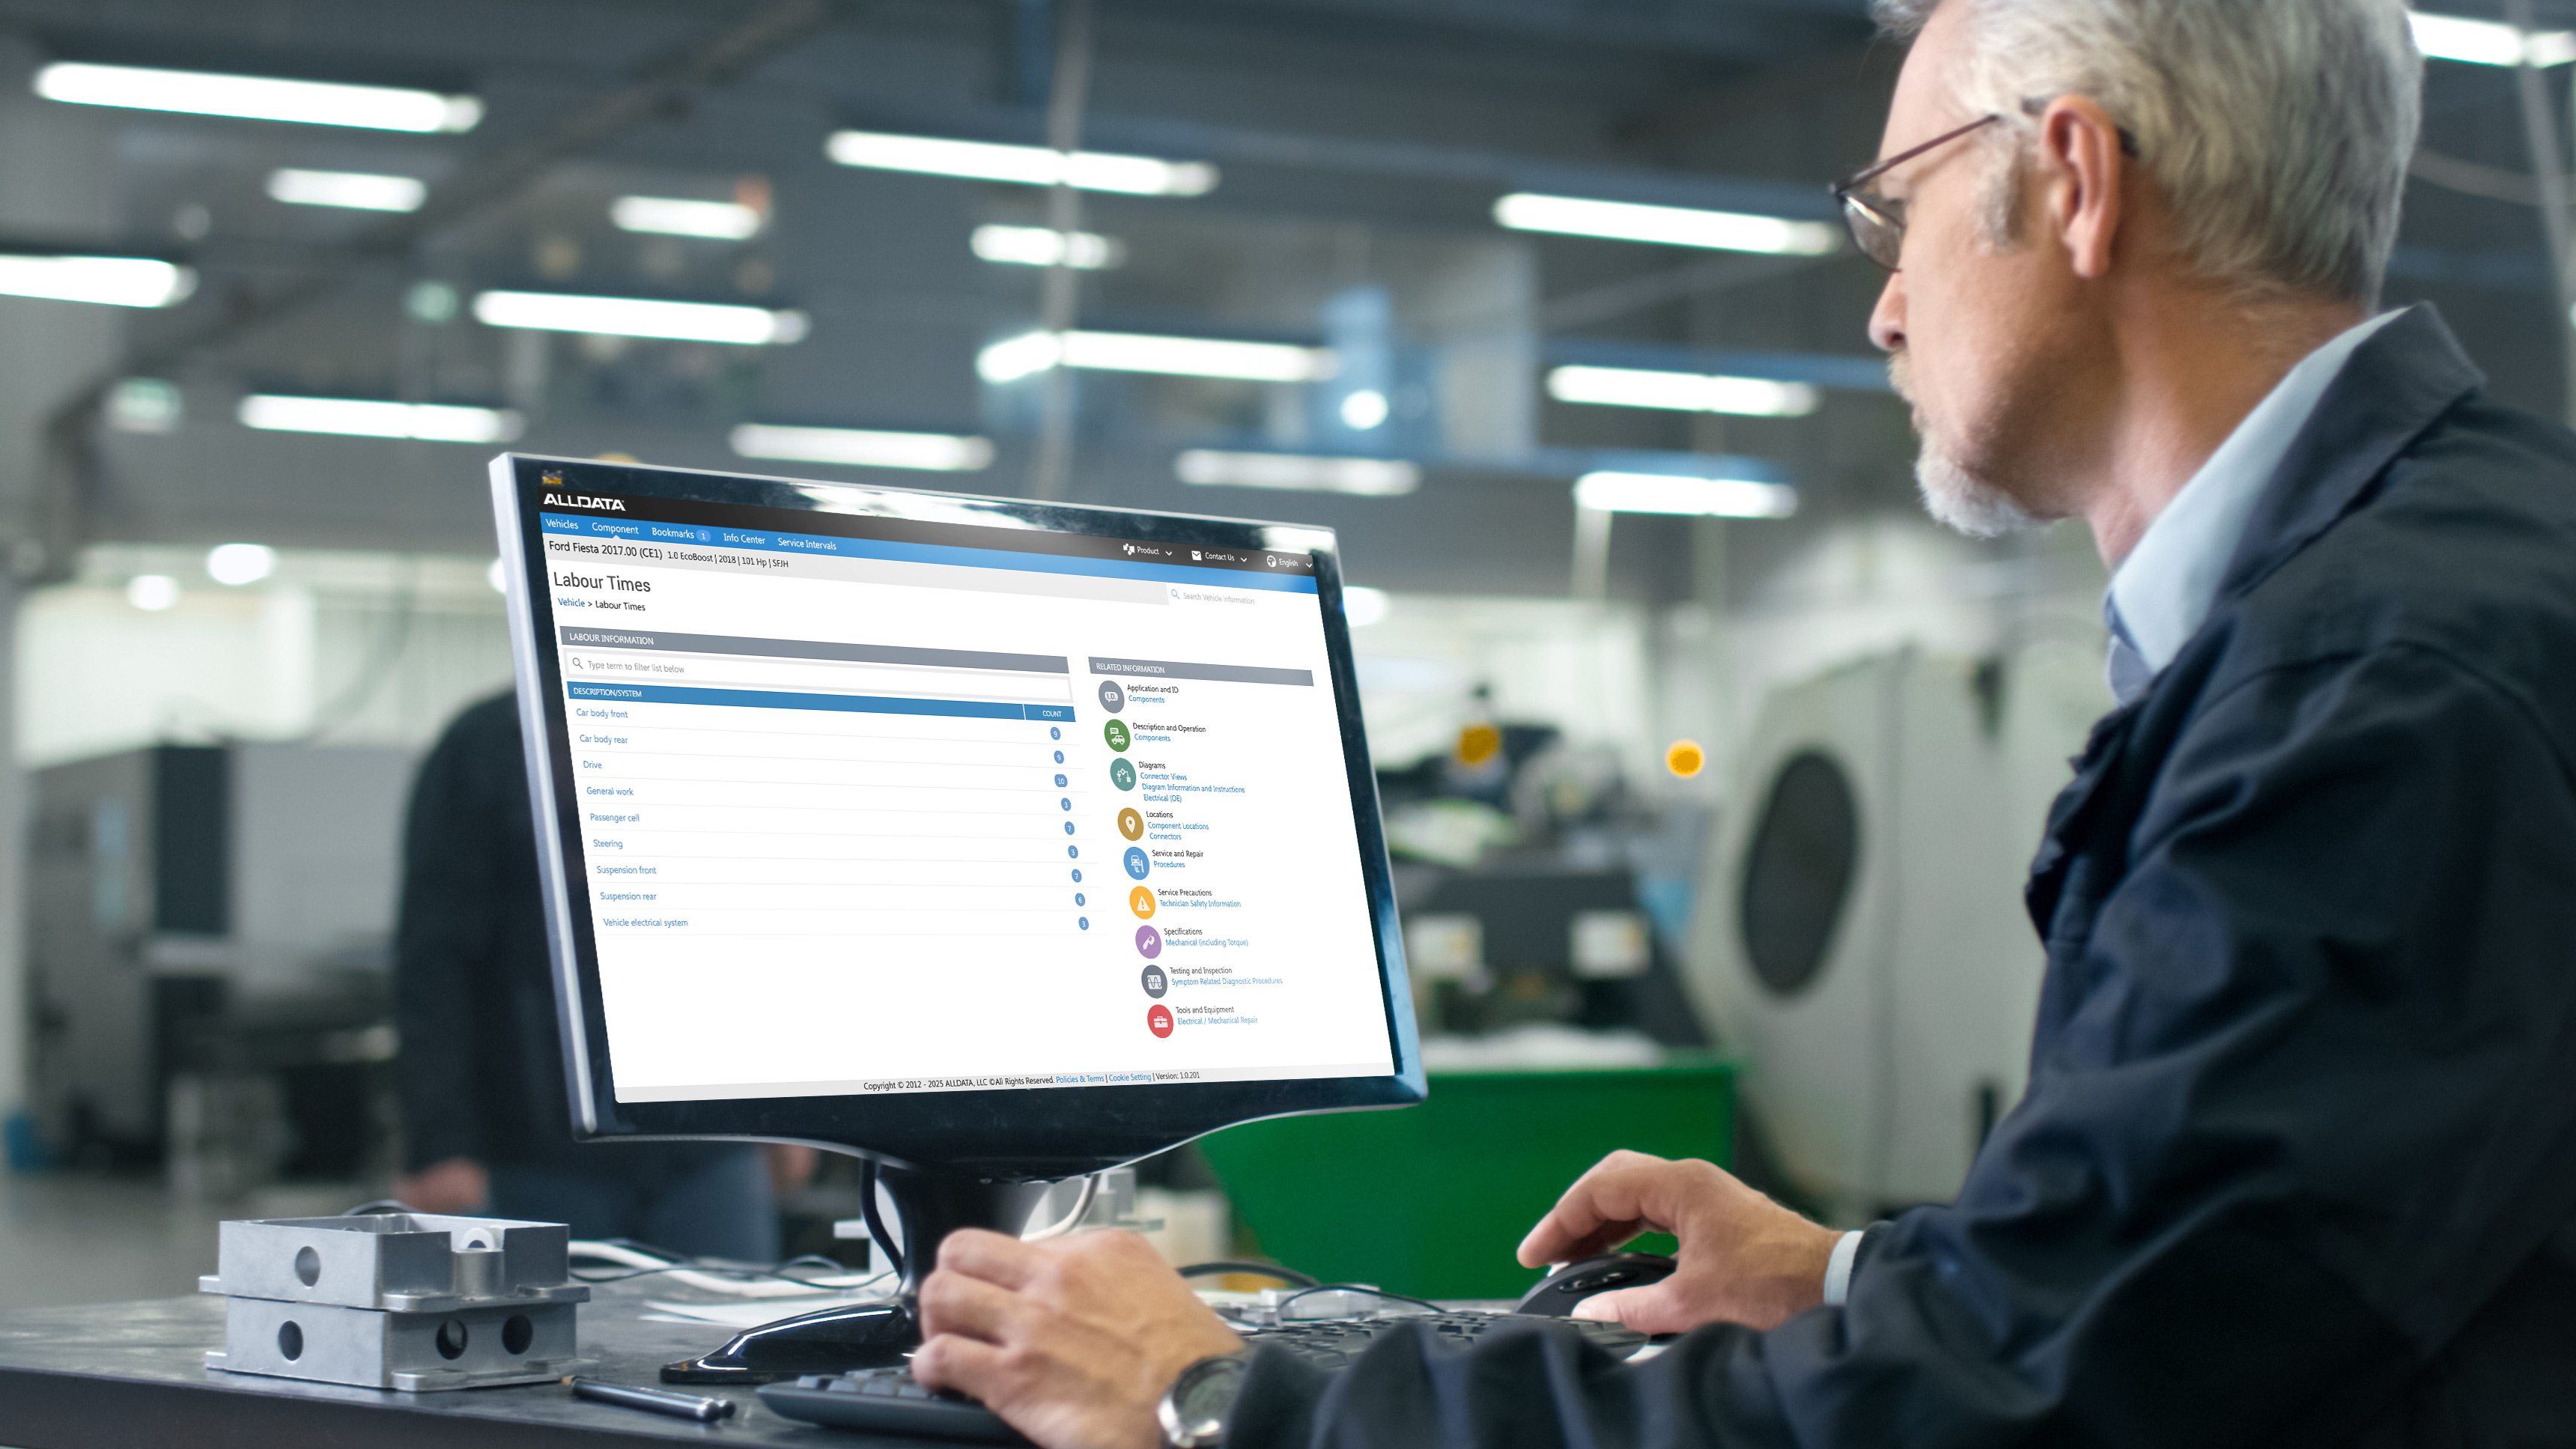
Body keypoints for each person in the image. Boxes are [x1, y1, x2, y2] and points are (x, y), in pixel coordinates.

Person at [904, 1, 2576, 1444]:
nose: (1884, 305)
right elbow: (2212, 1277)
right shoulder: (2430, 584)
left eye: (1895, 213)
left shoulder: (2371, 686)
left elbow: (2011, 1407)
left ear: (2073, 181)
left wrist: (1230, 1403)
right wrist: (1838, 1274)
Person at [391, 692, 806, 1259]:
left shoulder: (698, 727)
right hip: (540, 1148)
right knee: (559, 1339)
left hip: (706, 1147)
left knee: (730, 1332)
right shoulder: (482, 747)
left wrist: (783, 1112)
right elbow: (434, 962)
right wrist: (439, 1142)